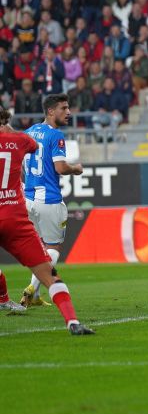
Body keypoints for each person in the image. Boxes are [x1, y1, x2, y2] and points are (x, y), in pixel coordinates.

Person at [0, 108, 93, 333]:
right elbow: (31, 145)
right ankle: (72, 322)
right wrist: (8, 128)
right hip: (14, 218)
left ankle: (4, 299)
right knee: (50, 274)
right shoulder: (20, 139)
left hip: (27, 204)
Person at [18, 93, 84, 308]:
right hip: (49, 200)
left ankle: (35, 296)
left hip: (28, 200)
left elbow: (20, 166)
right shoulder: (56, 135)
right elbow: (61, 167)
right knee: (53, 247)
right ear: (50, 111)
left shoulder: (28, 132)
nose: (68, 112)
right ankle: (32, 288)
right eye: (63, 108)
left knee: (39, 249)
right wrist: (76, 169)